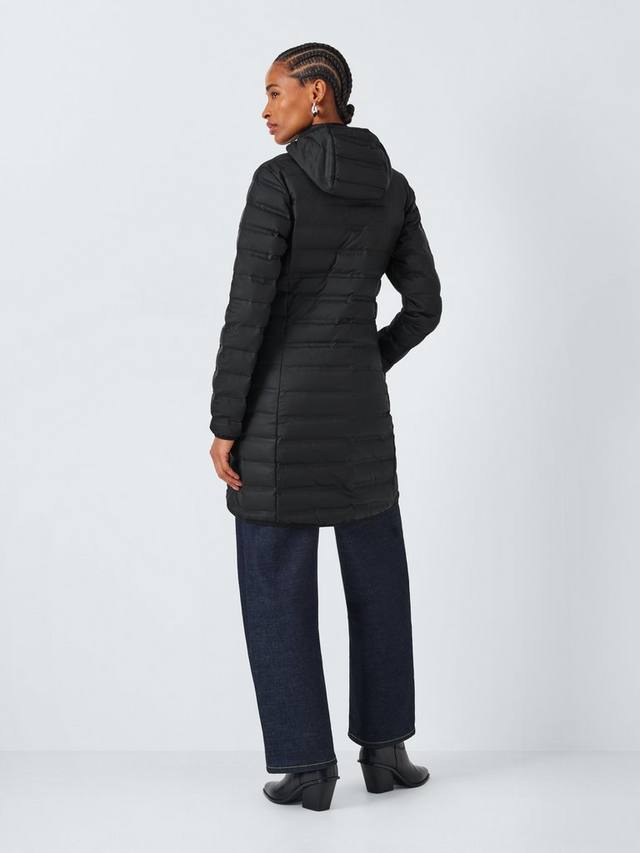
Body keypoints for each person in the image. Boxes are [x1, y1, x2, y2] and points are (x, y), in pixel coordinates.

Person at [209, 42, 442, 811]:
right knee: (379, 577)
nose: (265, 108)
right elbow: (425, 305)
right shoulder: (392, 187)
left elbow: (248, 312)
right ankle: (387, 750)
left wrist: (225, 421)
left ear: (317, 93)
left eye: (275, 91)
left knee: (275, 582)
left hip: (277, 417)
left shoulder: (277, 182)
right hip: (359, 417)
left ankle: (309, 767)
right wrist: (367, 360)